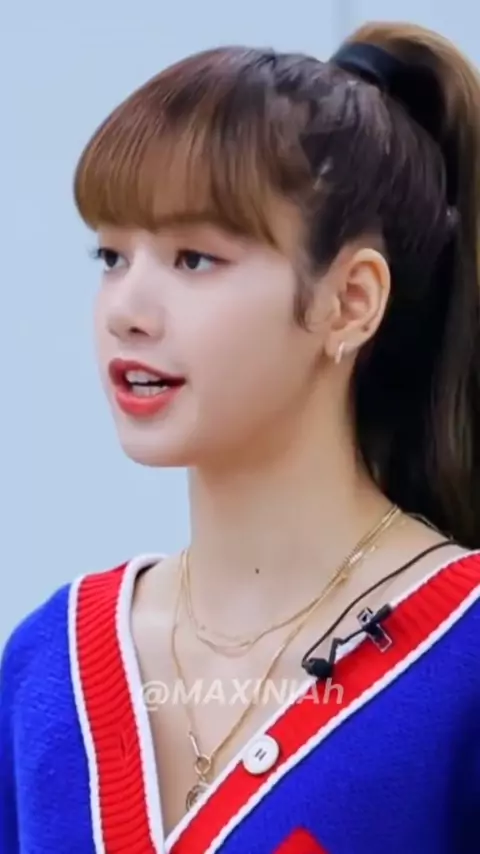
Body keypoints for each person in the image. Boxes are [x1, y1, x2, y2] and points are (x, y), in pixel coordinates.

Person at [2, 18, 480, 854]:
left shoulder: (462, 658)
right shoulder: (49, 663)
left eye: (194, 258)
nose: (126, 311)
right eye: (111, 257)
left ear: (350, 301)